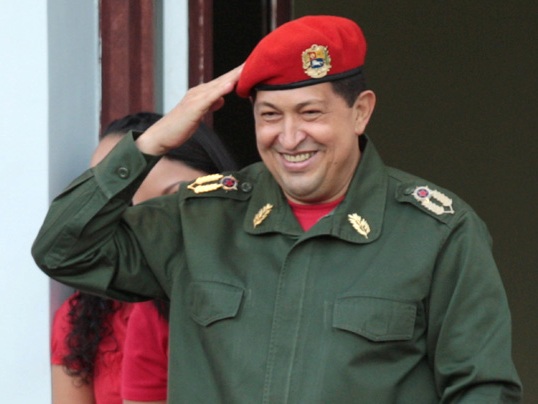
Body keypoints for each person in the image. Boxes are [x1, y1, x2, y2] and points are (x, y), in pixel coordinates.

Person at [33, 15, 522, 402]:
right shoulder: (201, 218)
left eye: (310, 113)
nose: (289, 138)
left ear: (360, 111)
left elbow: (481, 389)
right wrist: (151, 143)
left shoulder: (437, 232)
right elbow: (62, 251)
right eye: (270, 116)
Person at [49, 112, 237, 404]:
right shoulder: (84, 318)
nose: (149, 224)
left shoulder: (258, 277)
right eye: (118, 202)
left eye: (171, 198)